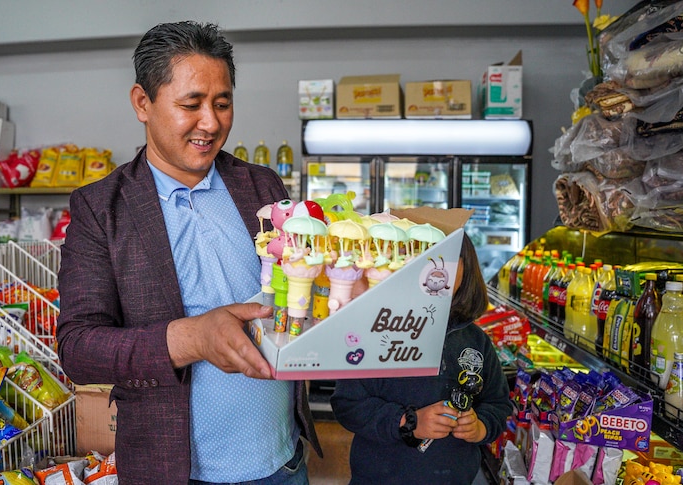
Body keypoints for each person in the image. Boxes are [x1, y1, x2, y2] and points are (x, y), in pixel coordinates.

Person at [56, 21, 321, 484]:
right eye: (190, 104)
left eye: (222, 103)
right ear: (143, 103)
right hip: (175, 471)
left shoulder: (261, 185)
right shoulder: (102, 208)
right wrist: (193, 339)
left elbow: (296, 287)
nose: (211, 123)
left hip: (283, 459)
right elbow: (79, 348)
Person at [330, 233, 511, 484]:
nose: (436, 270)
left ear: (466, 267)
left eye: (446, 259)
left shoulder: (475, 340)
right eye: (421, 259)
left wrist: (480, 426)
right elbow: (348, 405)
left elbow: (498, 403)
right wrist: (408, 421)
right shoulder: (377, 333)